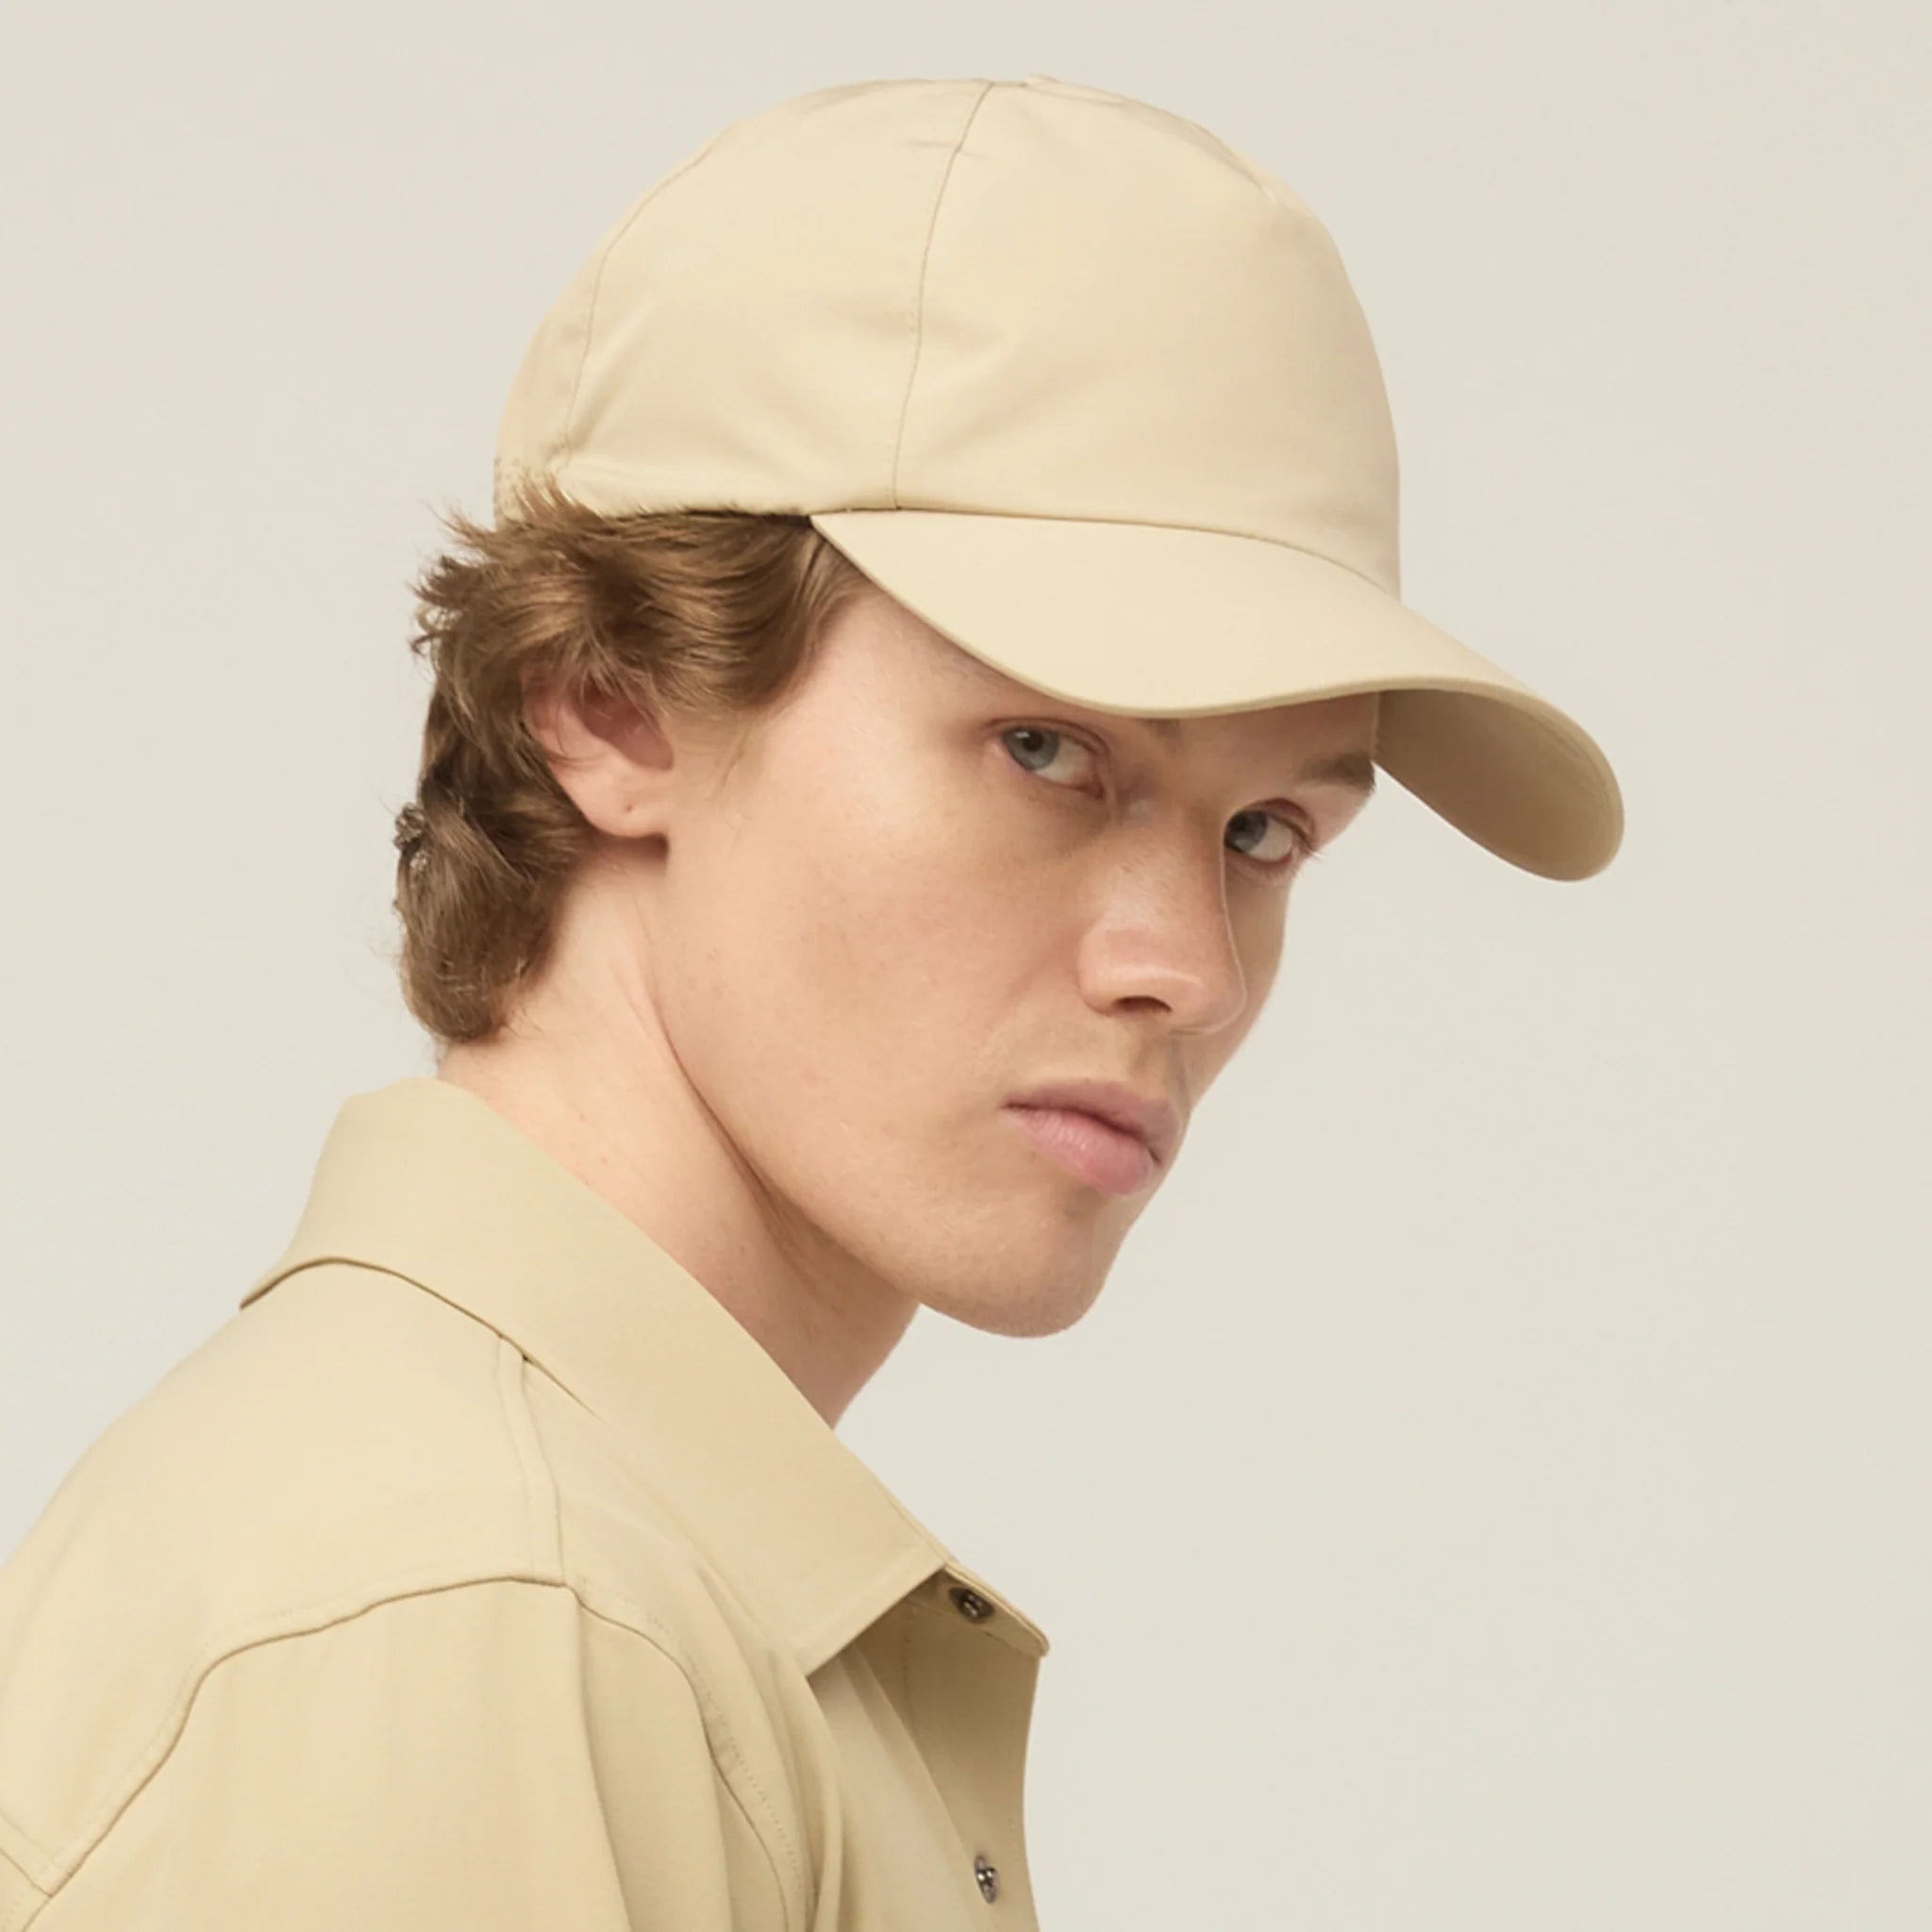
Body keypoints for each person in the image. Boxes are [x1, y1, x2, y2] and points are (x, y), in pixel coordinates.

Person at [0, 73, 1623, 1930]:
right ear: (609, 700)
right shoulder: (485, 1618)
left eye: (1267, 830)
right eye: (1045, 748)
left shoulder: (597, 1587)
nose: (1188, 963)